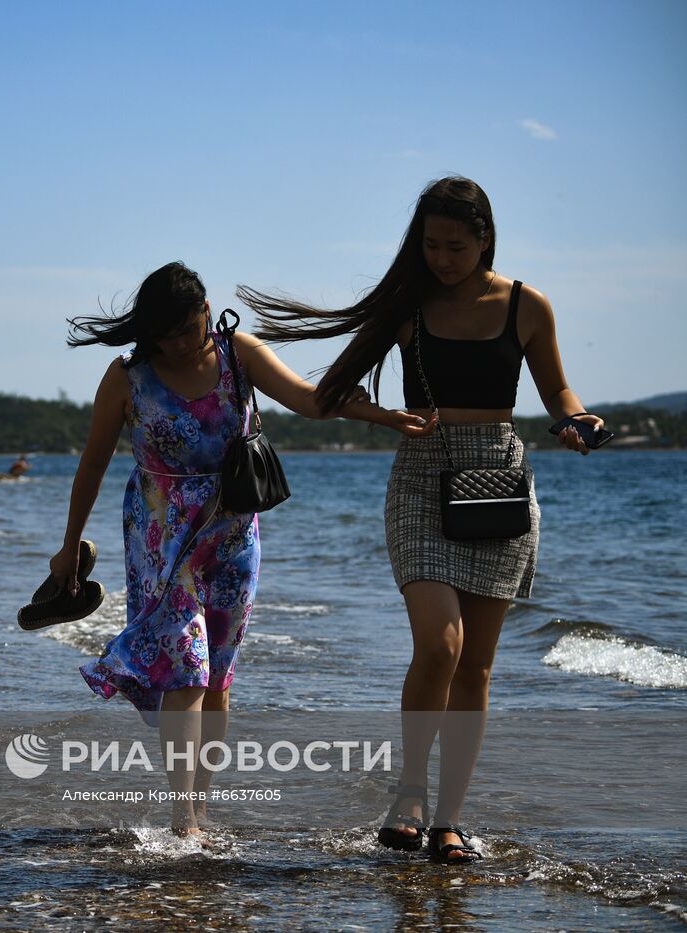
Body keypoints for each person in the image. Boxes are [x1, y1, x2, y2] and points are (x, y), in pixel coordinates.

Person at [238, 176, 605, 864]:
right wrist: (387, 418)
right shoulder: (408, 308)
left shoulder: (528, 305)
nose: (441, 257)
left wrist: (577, 419)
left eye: (455, 246)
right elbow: (329, 396)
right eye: (431, 244)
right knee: (441, 642)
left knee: (478, 667)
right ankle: (408, 789)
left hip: (497, 478)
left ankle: (450, 819)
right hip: (420, 479)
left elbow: (556, 388)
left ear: (485, 238)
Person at [49, 261, 427, 837]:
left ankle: (201, 807)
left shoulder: (237, 354)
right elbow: (93, 464)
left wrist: (379, 415)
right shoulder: (127, 377)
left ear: (207, 312)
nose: (175, 345)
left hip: (233, 536)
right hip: (162, 537)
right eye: (163, 334)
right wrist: (69, 544)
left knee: (218, 676)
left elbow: (310, 399)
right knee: (187, 670)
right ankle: (184, 822)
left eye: (185, 330)